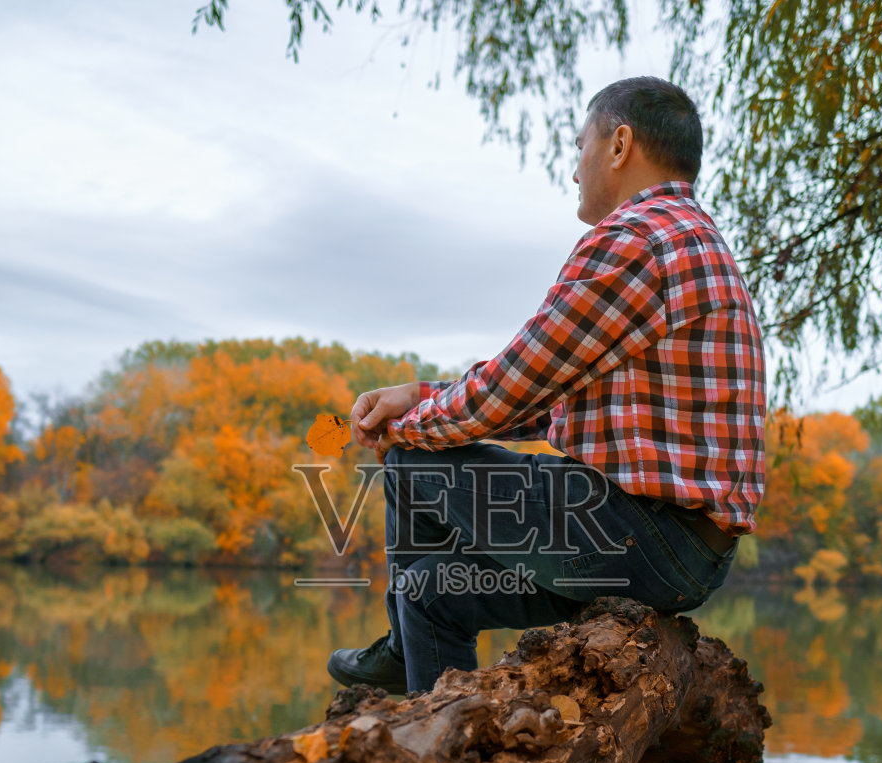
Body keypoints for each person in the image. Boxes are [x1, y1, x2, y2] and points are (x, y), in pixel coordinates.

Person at [327, 75, 766, 696]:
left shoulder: (638, 239)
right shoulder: (691, 238)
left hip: (642, 533)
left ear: (620, 145)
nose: (574, 167)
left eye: (580, 145)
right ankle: (439, 725)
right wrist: (422, 396)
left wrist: (405, 427)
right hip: (684, 553)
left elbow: (512, 386)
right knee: (428, 593)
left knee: (409, 460)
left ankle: (401, 653)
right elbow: (552, 402)